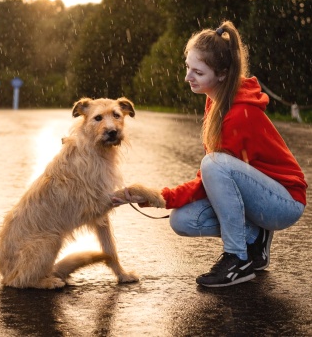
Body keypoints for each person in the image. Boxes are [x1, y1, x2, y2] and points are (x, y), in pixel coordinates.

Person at [112, 20, 307, 288]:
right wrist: (161, 199)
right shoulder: (215, 100)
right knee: (182, 220)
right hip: (258, 195)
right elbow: (215, 181)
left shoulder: (238, 114)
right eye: (187, 68)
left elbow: (212, 173)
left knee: (213, 164)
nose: (187, 77)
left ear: (222, 74)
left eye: (198, 72)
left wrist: (161, 196)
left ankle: (238, 259)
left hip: (284, 202)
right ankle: (254, 239)